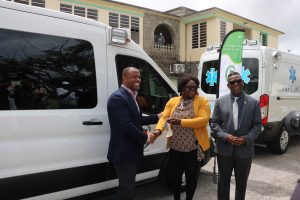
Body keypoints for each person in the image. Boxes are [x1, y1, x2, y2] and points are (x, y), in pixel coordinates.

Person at [152, 75, 210, 200]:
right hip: (175, 147)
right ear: (182, 88)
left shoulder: (202, 101)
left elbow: (203, 120)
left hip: (193, 148)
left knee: (191, 178)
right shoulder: (173, 101)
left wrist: (181, 122)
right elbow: (164, 117)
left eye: (195, 87)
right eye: (189, 87)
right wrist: (157, 130)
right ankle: (176, 198)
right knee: (176, 176)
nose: (193, 90)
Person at [107, 66, 159, 200]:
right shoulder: (118, 98)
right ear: (124, 78)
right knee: (126, 191)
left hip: (131, 152)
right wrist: (147, 137)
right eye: (134, 77)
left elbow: (138, 119)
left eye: (139, 77)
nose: (138, 80)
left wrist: (159, 116)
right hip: (124, 154)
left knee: (128, 188)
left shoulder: (132, 96)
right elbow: (126, 126)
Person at [210, 71, 262, 200]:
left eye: (239, 81)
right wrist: (225, 136)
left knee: (241, 184)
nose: (236, 84)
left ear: (243, 83)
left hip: (244, 151)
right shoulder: (220, 102)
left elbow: (258, 126)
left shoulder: (254, 103)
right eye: (233, 82)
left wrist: (247, 138)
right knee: (223, 183)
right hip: (224, 150)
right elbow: (214, 124)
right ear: (228, 86)